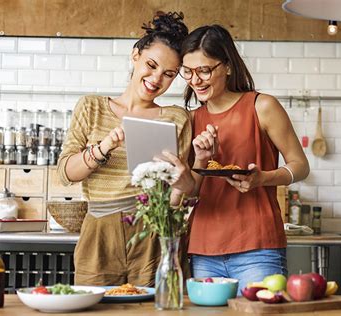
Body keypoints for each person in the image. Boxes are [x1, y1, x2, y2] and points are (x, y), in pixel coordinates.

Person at [57, 12, 194, 286]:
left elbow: (177, 194)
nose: (156, 79)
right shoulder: (91, 107)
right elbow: (65, 174)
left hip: (153, 232)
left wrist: (182, 183)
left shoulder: (177, 117)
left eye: (168, 74)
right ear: (135, 56)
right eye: (151, 65)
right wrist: (104, 146)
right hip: (99, 230)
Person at [179, 25, 310, 292]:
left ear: (226, 66)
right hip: (204, 247)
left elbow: (301, 165)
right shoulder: (191, 119)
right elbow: (191, 189)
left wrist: (264, 178)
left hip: (257, 246)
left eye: (204, 70)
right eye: (188, 71)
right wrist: (201, 160)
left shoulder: (262, 106)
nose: (196, 80)